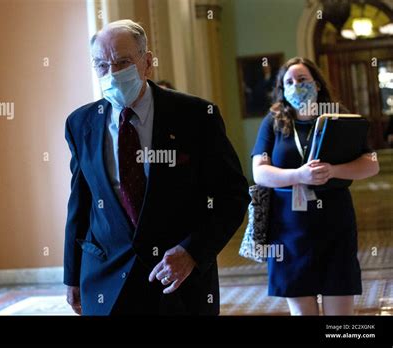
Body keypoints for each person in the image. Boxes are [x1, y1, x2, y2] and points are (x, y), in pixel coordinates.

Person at [64, 19, 250, 315]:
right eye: (101, 65)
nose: (111, 74)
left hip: (178, 281)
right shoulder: (80, 124)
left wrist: (192, 252)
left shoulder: (196, 116)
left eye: (122, 62)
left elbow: (233, 196)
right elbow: (80, 202)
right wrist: (72, 276)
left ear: (147, 62)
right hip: (106, 279)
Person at [251, 57, 380, 315]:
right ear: (282, 88)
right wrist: (299, 175)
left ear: (317, 84)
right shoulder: (274, 121)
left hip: (335, 225)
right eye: (289, 82)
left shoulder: (338, 116)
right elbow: (260, 172)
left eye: (302, 80)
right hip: (288, 230)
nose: (295, 86)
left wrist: (333, 171)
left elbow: (372, 163)